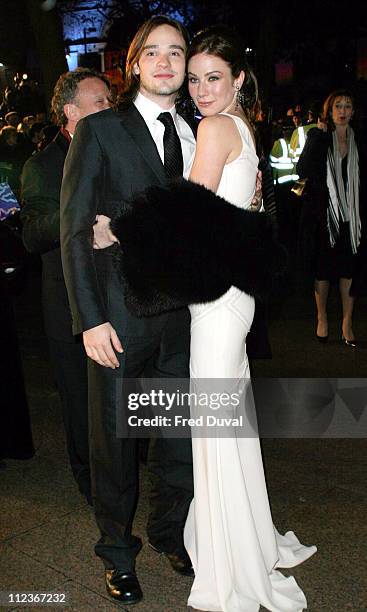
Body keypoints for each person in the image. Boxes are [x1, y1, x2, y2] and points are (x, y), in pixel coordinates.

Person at [95, 24, 316, 612]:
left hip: (218, 307)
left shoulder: (215, 127)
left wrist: (118, 227)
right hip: (229, 299)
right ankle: (242, 537)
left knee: (214, 426)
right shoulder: (239, 126)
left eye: (212, 77)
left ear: (239, 79)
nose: (200, 88)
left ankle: (231, 557)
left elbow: (184, 216)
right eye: (194, 79)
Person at [60, 16, 196, 605]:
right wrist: (89, 318)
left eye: (177, 52)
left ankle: (171, 533)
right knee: (114, 444)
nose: (166, 63)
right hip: (117, 316)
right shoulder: (101, 131)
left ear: (188, 65)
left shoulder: (199, 132)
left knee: (179, 443)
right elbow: (72, 232)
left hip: (183, 321)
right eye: (154, 53)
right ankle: (116, 552)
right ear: (135, 63)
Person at [20, 68, 111, 505]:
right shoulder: (41, 165)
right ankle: (90, 481)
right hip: (68, 304)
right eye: (100, 103)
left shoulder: (114, 153)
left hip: (116, 297)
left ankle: (123, 465)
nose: (110, 109)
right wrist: (81, 220)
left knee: (117, 391)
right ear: (71, 112)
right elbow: (32, 233)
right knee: (80, 399)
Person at [297, 89, 366, 346]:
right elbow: (301, 168)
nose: (343, 111)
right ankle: (322, 316)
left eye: (348, 106)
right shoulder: (319, 136)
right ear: (329, 110)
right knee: (323, 270)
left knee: (350, 270)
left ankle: (347, 322)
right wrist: (318, 137)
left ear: (353, 112)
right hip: (323, 216)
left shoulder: (360, 139)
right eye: (338, 106)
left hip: (354, 217)